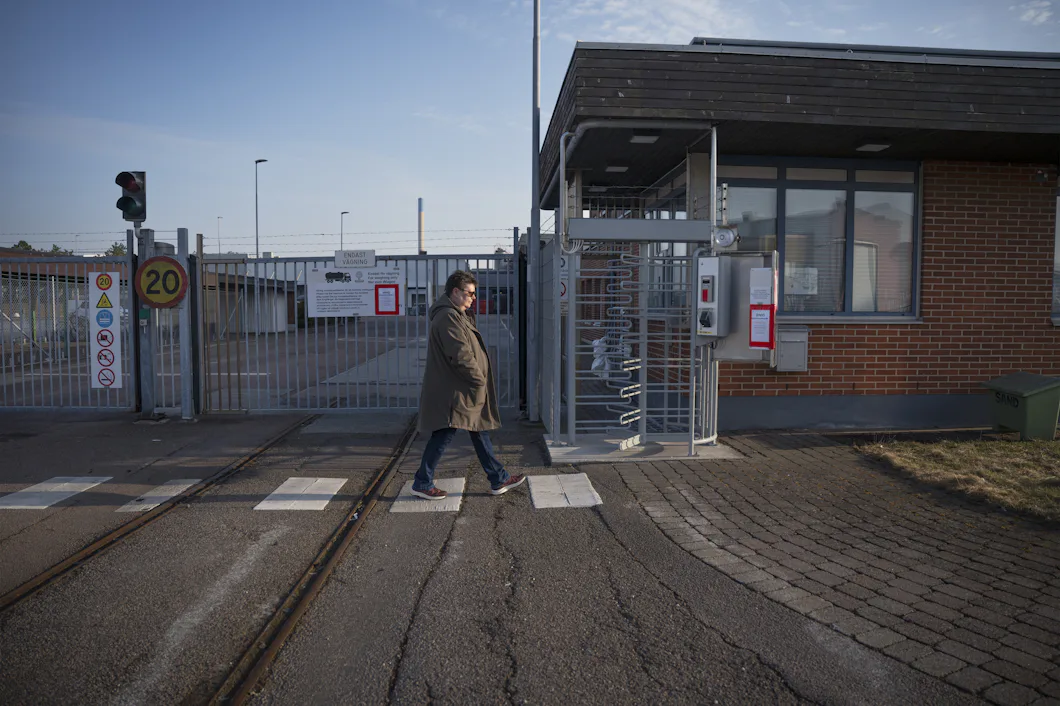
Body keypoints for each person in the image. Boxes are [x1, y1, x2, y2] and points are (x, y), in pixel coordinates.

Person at [411, 271, 526, 500]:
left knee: (477, 430)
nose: (473, 298)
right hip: (456, 390)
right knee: (445, 434)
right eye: (470, 293)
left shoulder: (456, 314)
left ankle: (498, 478)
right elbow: (460, 355)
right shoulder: (448, 317)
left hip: (462, 387)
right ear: (455, 292)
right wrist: (479, 379)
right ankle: (422, 482)